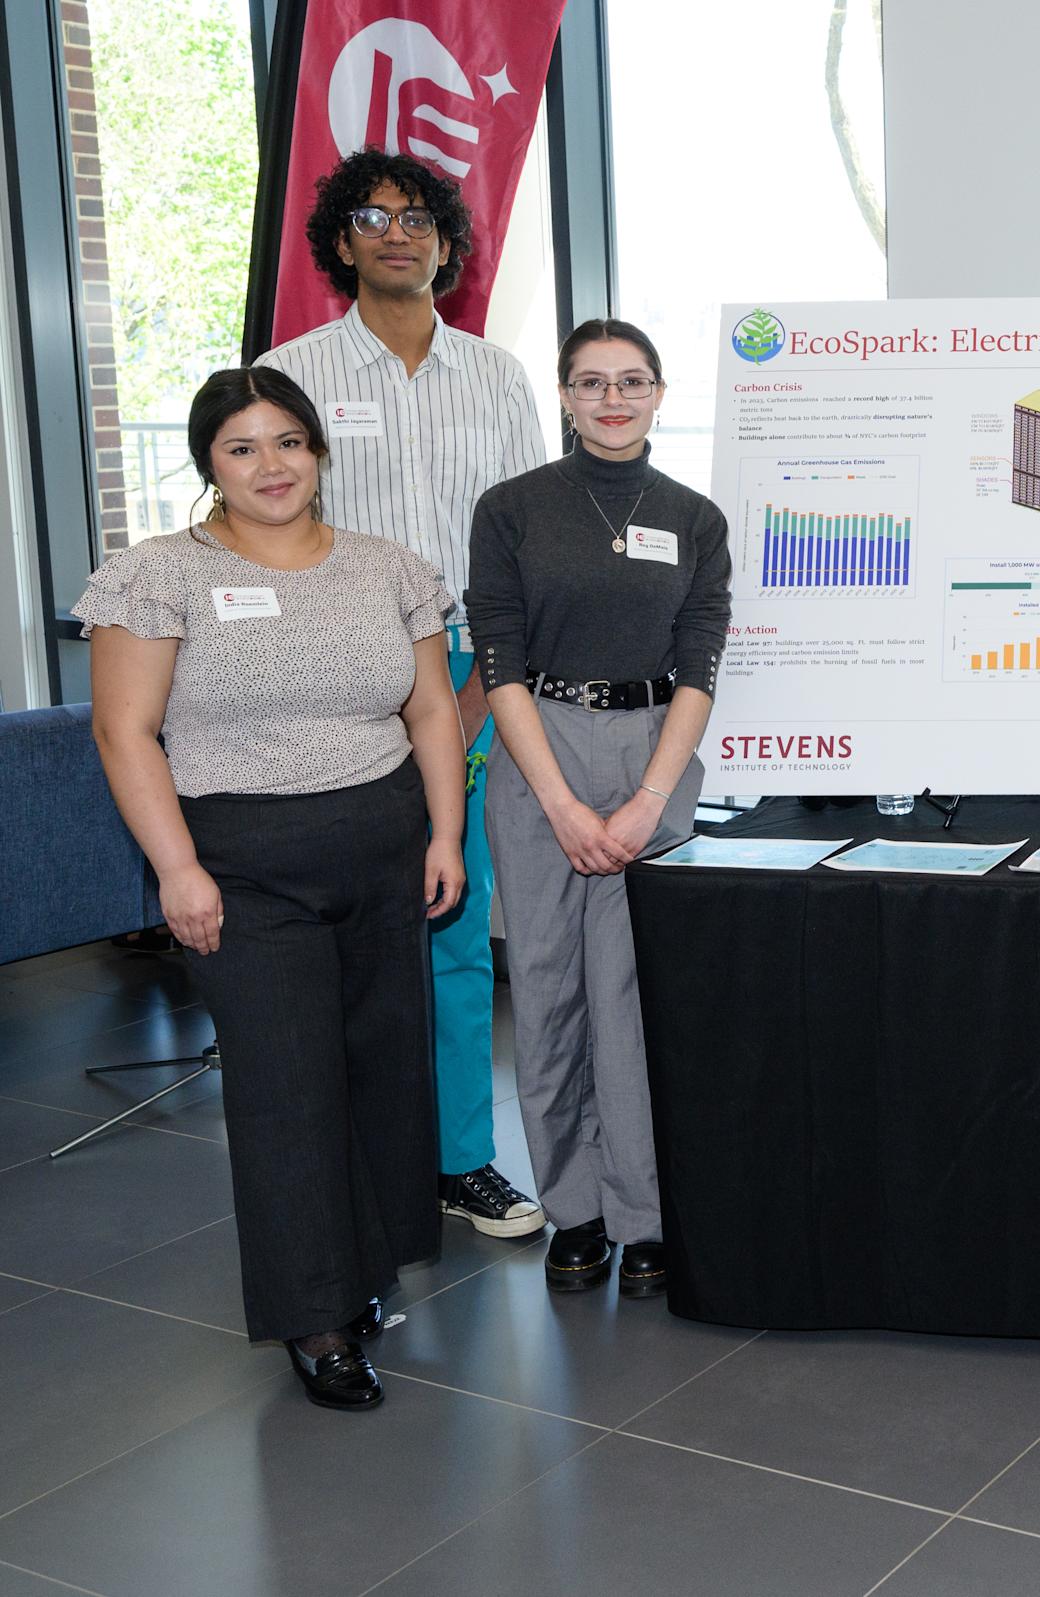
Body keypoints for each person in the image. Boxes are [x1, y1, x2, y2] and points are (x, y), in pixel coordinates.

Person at [77, 367, 464, 1410]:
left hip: (385, 847)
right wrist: (177, 868)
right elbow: (124, 730)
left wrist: (446, 835)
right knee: (286, 1085)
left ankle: (365, 1266)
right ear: (210, 462)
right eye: (242, 447)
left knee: (382, 1070)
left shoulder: (389, 566)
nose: (272, 465)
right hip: (243, 863)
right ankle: (313, 1314)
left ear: (319, 451)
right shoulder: (157, 574)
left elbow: (433, 710)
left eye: (288, 441)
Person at [257, 148, 548, 1242]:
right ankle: (360, 1159)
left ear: (446, 242)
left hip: (469, 668)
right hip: (341, 672)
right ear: (341, 241)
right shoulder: (290, 373)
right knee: (343, 930)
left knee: (454, 916)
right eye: (373, 217)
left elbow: (523, 543)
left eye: (418, 216)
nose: (397, 233)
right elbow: (265, 527)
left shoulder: (497, 376)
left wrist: (482, 690)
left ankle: (462, 1160)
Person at [467, 318, 730, 1299]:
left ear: (659, 392)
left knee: (634, 994)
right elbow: (499, 660)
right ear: (565, 396)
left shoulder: (696, 519)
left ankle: (645, 1212)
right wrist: (562, 804)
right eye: (591, 382)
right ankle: (574, 1209)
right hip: (539, 748)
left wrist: (649, 799)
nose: (612, 399)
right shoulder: (512, 509)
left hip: (655, 755)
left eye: (631, 381)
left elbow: (700, 667)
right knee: (544, 986)